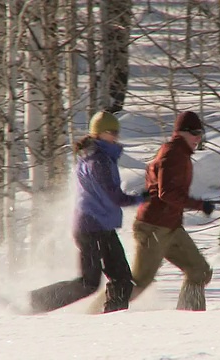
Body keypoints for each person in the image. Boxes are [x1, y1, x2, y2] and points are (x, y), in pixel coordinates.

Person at [29, 111, 148, 314]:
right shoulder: (98, 160)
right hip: (93, 227)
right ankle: (36, 302)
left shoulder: (96, 156)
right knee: (91, 283)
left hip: (99, 226)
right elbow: (115, 198)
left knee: (120, 280)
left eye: (116, 132)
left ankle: (112, 319)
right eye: (111, 132)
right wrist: (142, 197)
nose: (115, 136)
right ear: (98, 133)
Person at [131, 111, 216, 311]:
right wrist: (199, 205)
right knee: (139, 283)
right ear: (181, 133)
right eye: (194, 132)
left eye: (200, 133)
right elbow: (166, 193)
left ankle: (189, 318)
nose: (198, 137)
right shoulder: (173, 154)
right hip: (154, 227)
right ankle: (99, 315)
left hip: (170, 226)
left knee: (199, 270)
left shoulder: (179, 153)